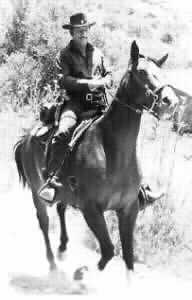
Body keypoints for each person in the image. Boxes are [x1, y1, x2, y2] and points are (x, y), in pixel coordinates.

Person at [39, 12, 163, 206]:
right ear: (71, 32)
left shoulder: (98, 53)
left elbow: (109, 75)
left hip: (99, 103)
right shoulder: (63, 55)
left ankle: (140, 187)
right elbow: (64, 80)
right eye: (79, 30)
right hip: (75, 104)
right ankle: (53, 182)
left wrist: (107, 80)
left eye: (85, 29)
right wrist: (89, 84)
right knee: (62, 133)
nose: (83, 33)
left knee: (126, 135)